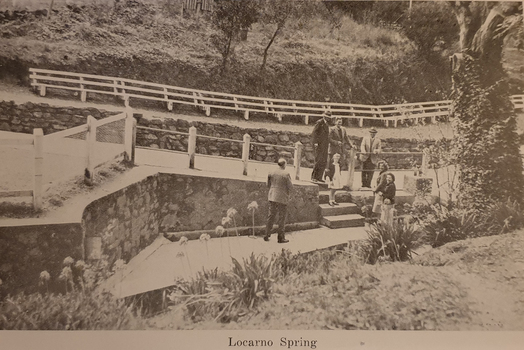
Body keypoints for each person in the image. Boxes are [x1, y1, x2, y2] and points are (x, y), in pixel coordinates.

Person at [265, 158, 293, 243]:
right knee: (281, 218)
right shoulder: (286, 173)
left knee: (271, 216)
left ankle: (266, 234)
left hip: (272, 196)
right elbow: (290, 187)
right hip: (282, 197)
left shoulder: (271, 172)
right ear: (284, 165)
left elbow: (267, 184)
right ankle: (281, 238)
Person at [311, 111, 332, 183]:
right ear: (324, 116)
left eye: (329, 117)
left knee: (324, 161)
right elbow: (314, 133)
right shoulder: (320, 123)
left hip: (325, 145)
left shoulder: (327, 124)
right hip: (319, 145)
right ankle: (314, 177)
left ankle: (319, 177)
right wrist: (315, 142)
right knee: (318, 160)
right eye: (327, 117)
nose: (328, 118)